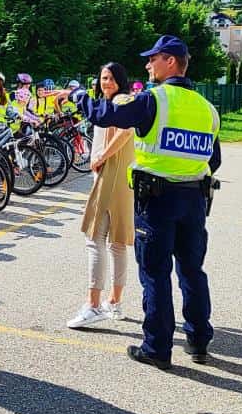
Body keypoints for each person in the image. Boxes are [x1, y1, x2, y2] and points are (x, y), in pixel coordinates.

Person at [61, 35, 221, 371]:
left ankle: (157, 348)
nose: (148, 65)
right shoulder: (207, 109)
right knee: (192, 271)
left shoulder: (155, 99)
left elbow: (107, 116)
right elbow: (214, 159)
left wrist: (79, 97)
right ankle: (198, 341)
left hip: (157, 201)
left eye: (153, 59)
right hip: (194, 199)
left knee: (155, 273)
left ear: (171, 62)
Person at [67, 62, 134, 329]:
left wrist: (101, 156)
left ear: (121, 80)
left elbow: (126, 130)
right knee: (116, 243)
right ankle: (114, 302)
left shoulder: (122, 100)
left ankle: (93, 304)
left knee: (95, 238)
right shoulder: (111, 101)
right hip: (119, 177)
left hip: (110, 175)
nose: (105, 82)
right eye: (102, 78)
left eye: (110, 78)